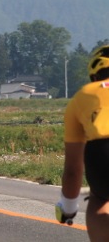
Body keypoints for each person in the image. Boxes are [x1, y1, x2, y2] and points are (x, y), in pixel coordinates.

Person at [58, 45, 109, 239]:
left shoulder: (83, 96)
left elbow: (73, 169)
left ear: (95, 76)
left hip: (103, 154)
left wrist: (68, 208)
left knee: (99, 199)